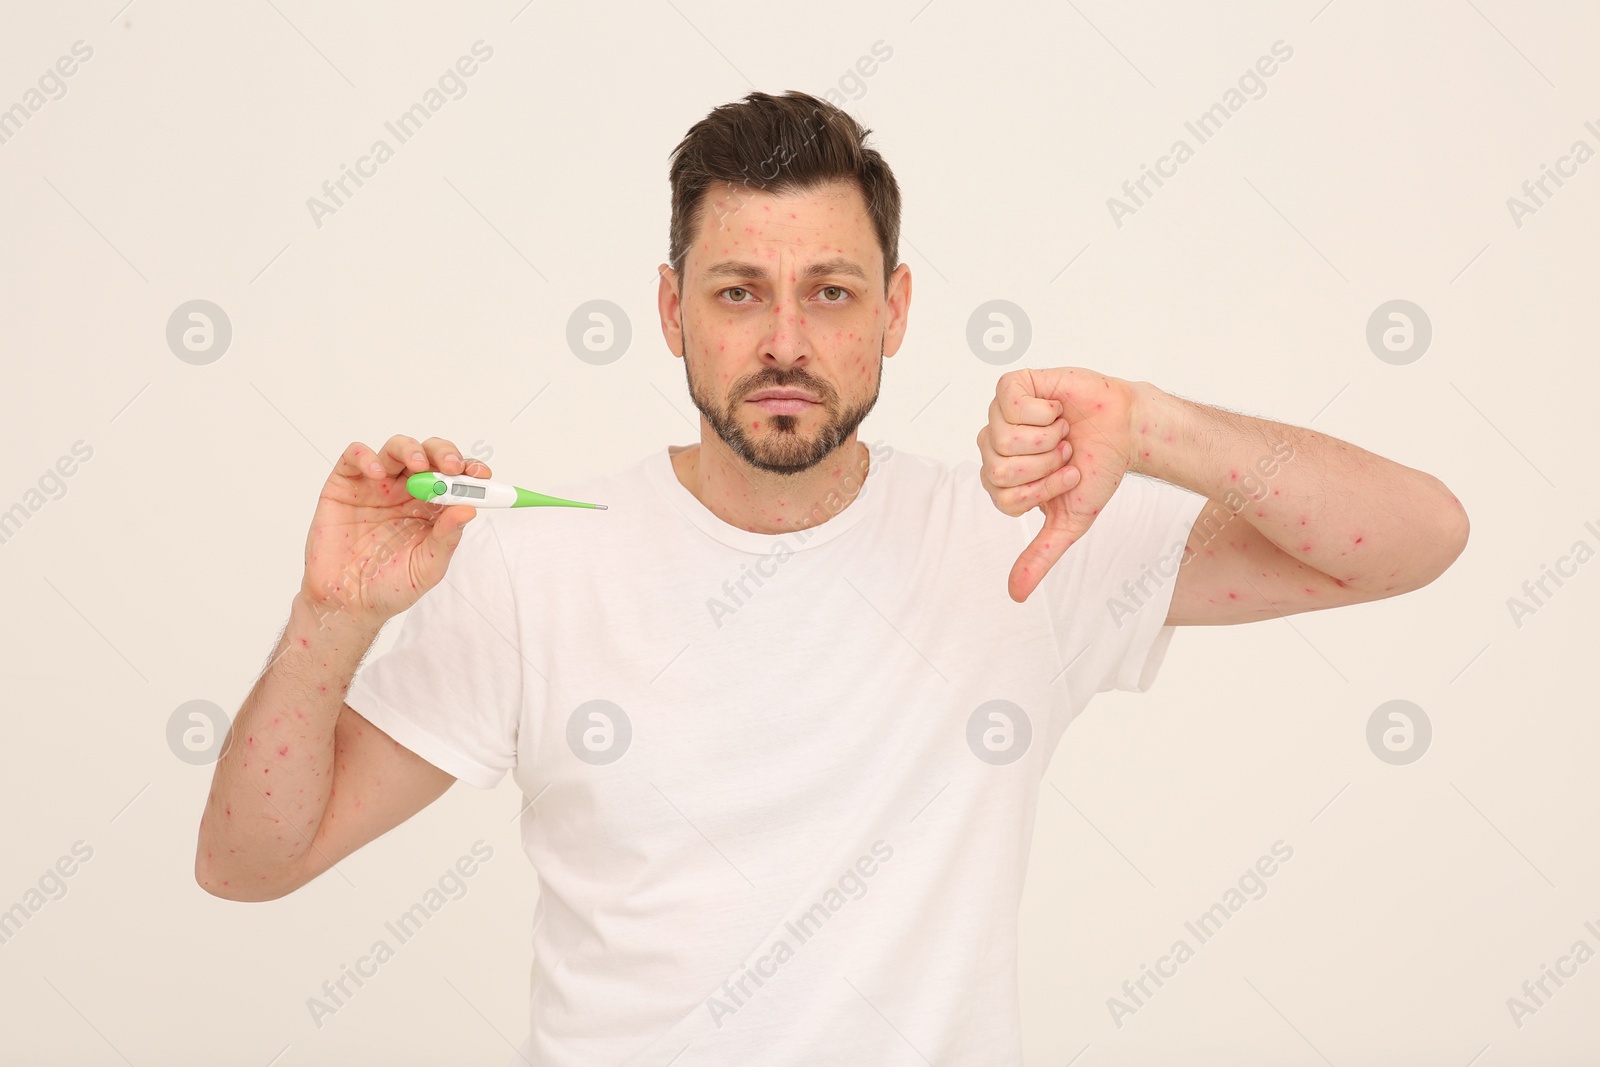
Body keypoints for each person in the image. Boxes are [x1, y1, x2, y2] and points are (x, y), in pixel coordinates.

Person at [195, 90, 1469, 1065]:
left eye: (832, 291)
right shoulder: (537, 563)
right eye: (740, 291)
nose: (786, 342)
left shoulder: (1023, 538)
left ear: (897, 309)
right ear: (670, 306)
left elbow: (1415, 536)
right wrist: (332, 617)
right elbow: (249, 864)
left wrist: (1151, 422)